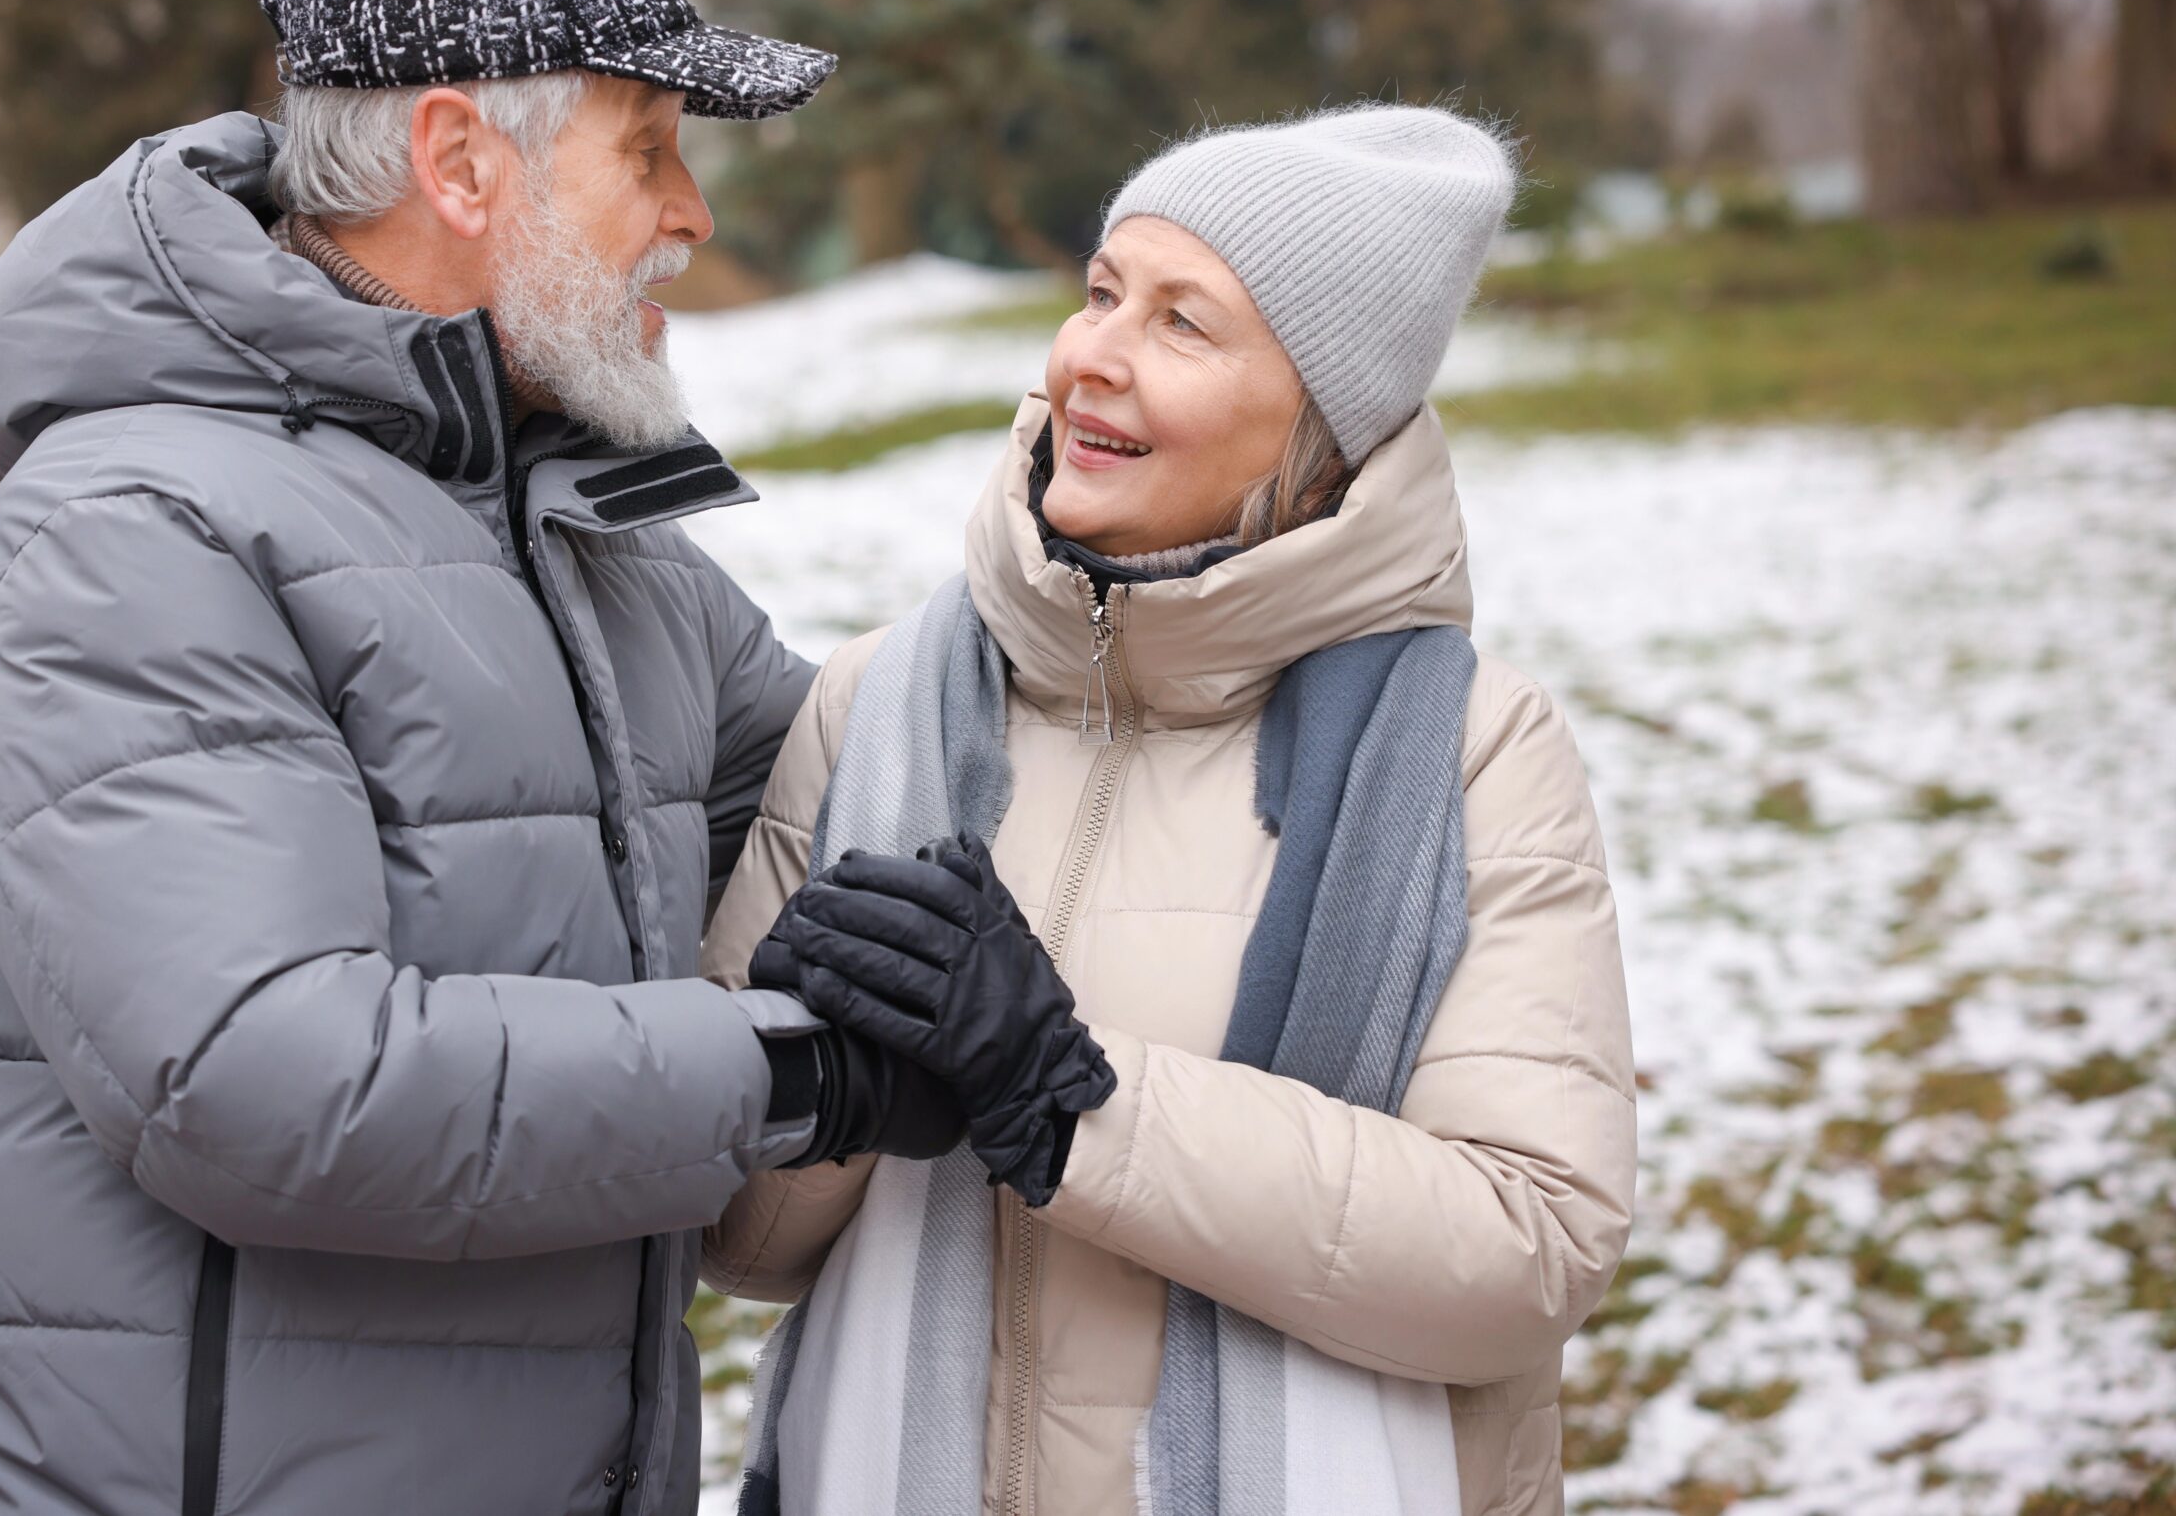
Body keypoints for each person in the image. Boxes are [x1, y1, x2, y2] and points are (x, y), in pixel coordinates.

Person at [0, 0, 956, 1516]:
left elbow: (854, 773)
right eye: (650, 148)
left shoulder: (578, 523)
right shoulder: (135, 535)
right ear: (462, 161)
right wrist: (802, 1074)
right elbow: (261, 1084)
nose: (694, 213)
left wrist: (1107, 588)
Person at [702, 106, 1639, 1516]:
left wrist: (1071, 1101)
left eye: (1183, 323)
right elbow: (743, 1243)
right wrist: (827, 1091)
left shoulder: (1466, 752)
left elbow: (1527, 1248)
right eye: (1100, 292)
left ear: (1320, 426)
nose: (1093, 355)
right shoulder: (879, 704)